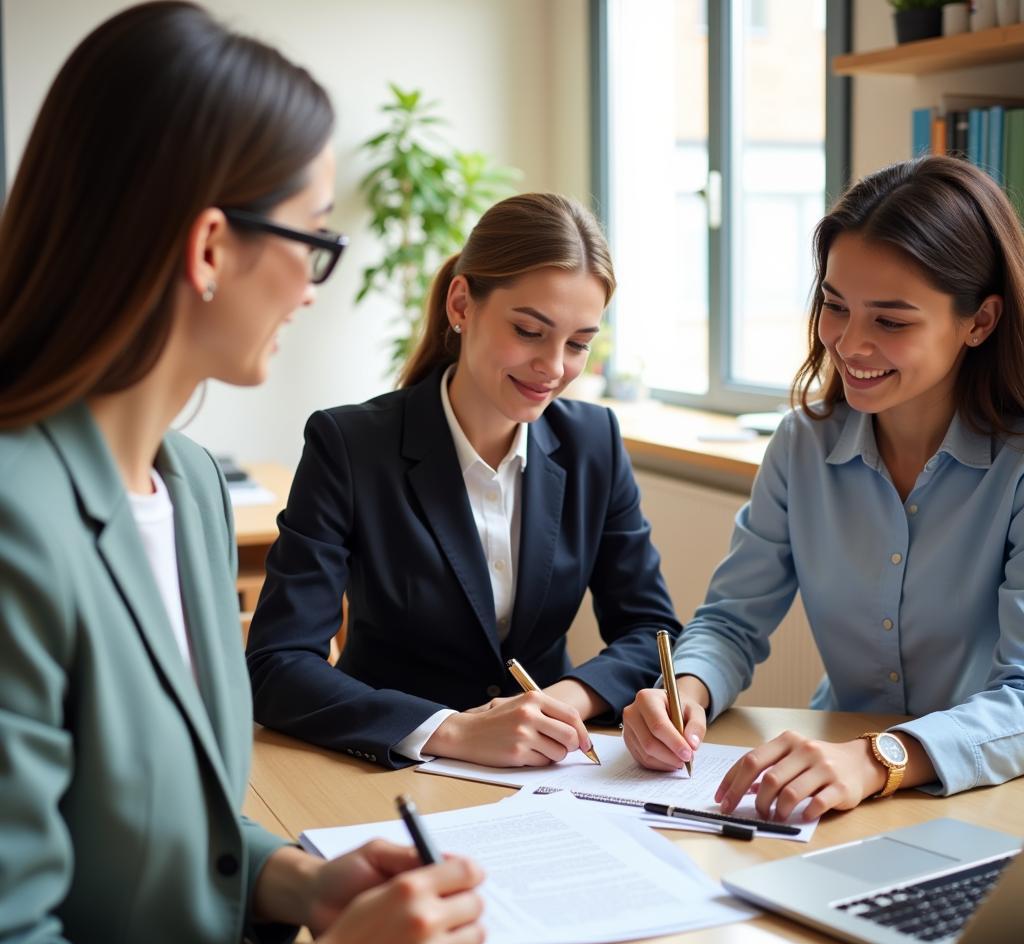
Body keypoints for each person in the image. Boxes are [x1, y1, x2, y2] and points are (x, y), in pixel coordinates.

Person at [0, 4, 487, 944]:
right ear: (211, 247)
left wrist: (300, 882)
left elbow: (162, 819)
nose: (313, 286)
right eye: (313, 238)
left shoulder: (185, 488)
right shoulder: (16, 528)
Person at [622, 155, 1024, 821]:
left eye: (891, 320)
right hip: (832, 789)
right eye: (835, 306)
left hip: (985, 795)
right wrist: (684, 691)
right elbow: (731, 621)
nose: (849, 343)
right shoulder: (801, 444)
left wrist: (879, 757)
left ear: (979, 322)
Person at [247, 192, 681, 769]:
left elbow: (651, 628)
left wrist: (558, 701)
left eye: (578, 344)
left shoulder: (593, 441)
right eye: (529, 331)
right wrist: (449, 731)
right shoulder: (350, 446)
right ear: (461, 303)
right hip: (389, 771)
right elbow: (278, 664)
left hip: (552, 772)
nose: (554, 368)